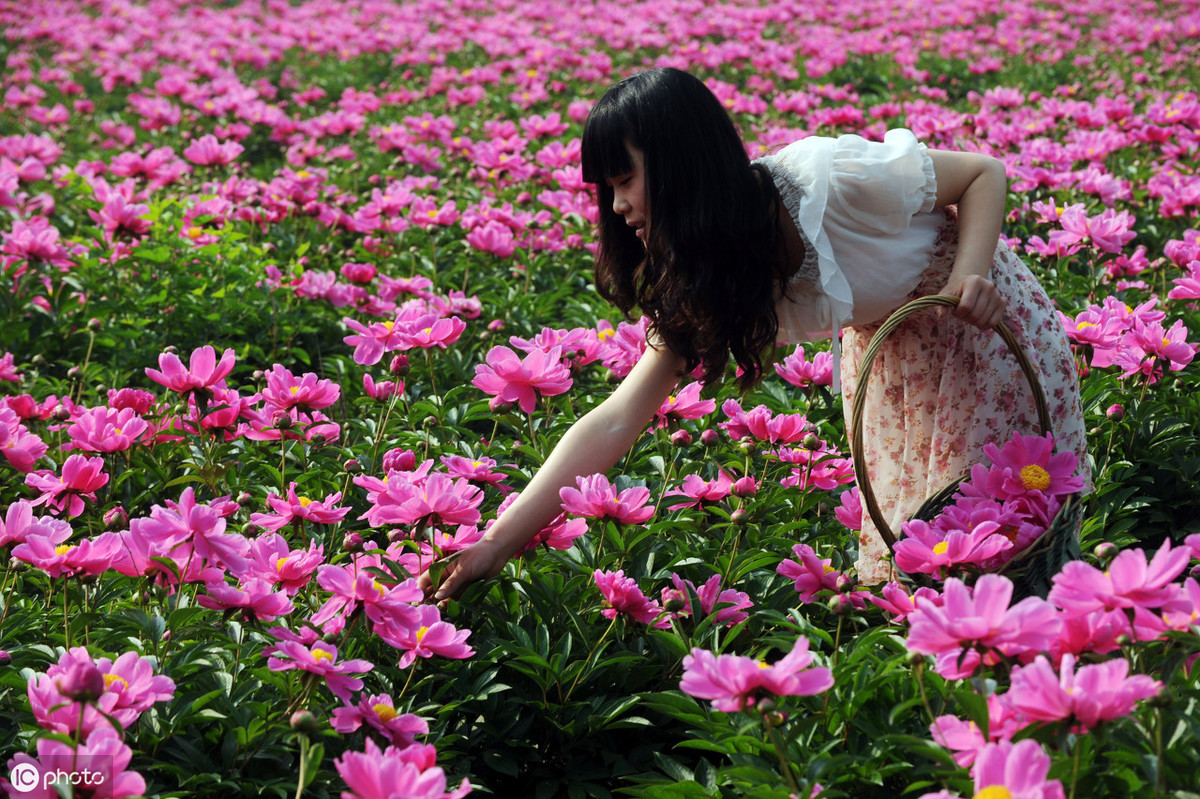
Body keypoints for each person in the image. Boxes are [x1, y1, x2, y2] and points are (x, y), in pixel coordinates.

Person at [422, 67, 1089, 601]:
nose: (618, 206)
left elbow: (981, 172)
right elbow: (615, 418)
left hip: (984, 329)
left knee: (1007, 543)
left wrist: (971, 277)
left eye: (625, 180)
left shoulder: (830, 179)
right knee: (924, 567)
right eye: (608, 189)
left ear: (680, 164)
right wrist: (494, 542)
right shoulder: (707, 272)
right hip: (897, 365)